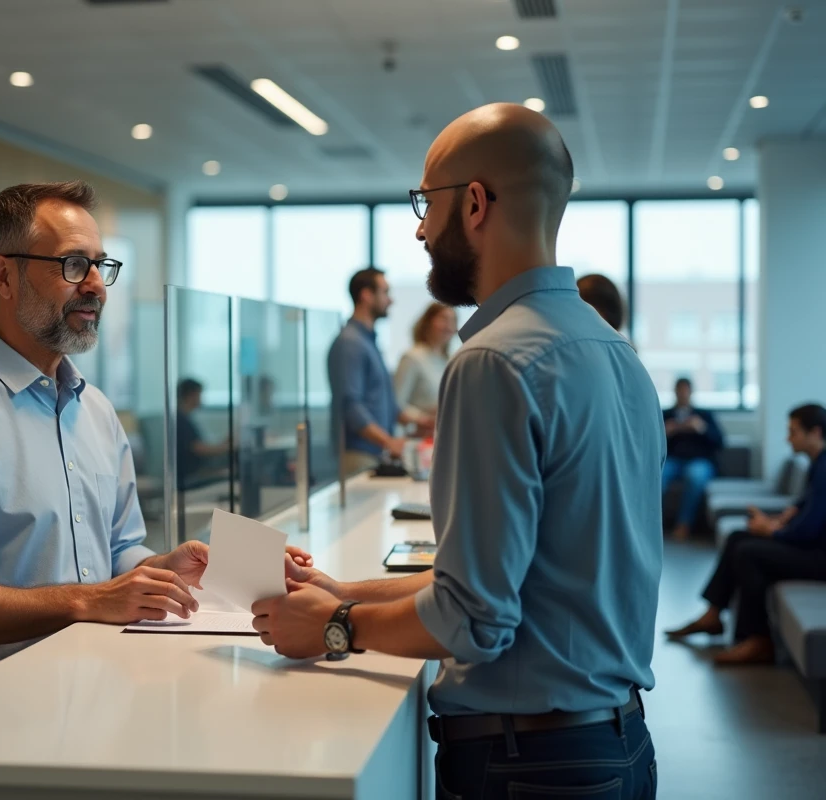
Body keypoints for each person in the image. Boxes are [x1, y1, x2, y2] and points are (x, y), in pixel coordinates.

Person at [253, 103, 663, 799]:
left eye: (425, 202)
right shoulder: (612, 350)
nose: (418, 227)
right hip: (615, 748)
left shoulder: (492, 362)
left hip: (527, 766)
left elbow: (474, 621)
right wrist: (343, 590)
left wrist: (335, 627)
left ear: (474, 203)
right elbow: (511, 580)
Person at [0, 181, 309, 703]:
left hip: (96, 686)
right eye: (72, 264)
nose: (97, 287)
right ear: (3, 275)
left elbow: (118, 552)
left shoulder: (96, 410)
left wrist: (163, 570)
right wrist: (91, 599)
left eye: (100, 266)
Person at [666, 404, 826, 665]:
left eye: (793, 432)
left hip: (819, 559)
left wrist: (771, 531)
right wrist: (781, 518)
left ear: (815, 432)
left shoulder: (824, 468)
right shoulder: (818, 464)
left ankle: (756, 639)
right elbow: (807, 507)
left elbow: (807, 532)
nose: (788, 438)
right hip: (812, 549)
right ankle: (713, 614)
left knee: (748, 552)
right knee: (738, 537)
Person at [327, 268, 413, 474]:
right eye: (385, 292)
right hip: (359, 456)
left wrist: (419, 421)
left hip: (373, 454)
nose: (390, 300)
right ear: (366, 295)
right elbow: (351, 406)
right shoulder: (350, 343)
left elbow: (382, 401)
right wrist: (389, 441)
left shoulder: (368, 342)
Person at [662, 377, 724, 541]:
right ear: (674, 392)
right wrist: (664, 433)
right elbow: (649, 445)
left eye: (685, 390)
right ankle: (652, 522)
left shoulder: (704, 415)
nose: (682, 394)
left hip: (699, 461)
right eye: (679, 390)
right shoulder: (665, 415)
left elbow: (720, 441)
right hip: (672, 461)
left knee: (695, 476)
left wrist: (701, 428)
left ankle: (684, 524)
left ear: (691, 392)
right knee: (657, 475)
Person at [393, 303, 457, 437]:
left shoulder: (450, 360)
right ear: (428, 322)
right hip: (418, 439)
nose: (449, 326)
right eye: (444, 319)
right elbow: (395, 404)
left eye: (453, 321)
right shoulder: (412, 357)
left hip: (444, 438)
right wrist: (423, 418)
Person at [174, 378, 229, 488]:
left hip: (197, 471)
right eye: (200, 394)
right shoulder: (180, 421)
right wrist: (228, 447)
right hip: (191, 476)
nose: (201, 399)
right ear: (191, 395)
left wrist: (225, 444)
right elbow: (199, 449)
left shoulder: (184, 418)